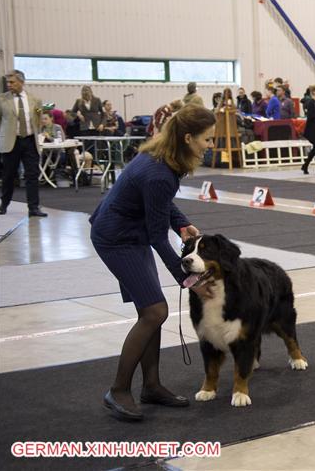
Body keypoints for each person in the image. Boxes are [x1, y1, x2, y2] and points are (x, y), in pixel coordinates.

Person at [89, 105, 215, 421]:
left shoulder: (161, 156)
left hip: (130, 232)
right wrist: (191, 282)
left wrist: (181, 222)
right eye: (207, 139)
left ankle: (152, 386)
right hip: (117, 238)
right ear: (188, 138)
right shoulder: (160, 172)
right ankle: (118, 390)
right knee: (156, 311)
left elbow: (157, 203)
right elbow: (159, 238)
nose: (210, 146)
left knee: (150, 310)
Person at [0, 70, 47, 217]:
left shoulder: (35, 100)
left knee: (32, 175)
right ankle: (4, 203)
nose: (9, 85)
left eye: (12, 82)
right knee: (8, 175)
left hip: (30, 141)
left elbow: (38, 118)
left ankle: (33, 208)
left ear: (21, 82)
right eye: (8, 82)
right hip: (11, 142)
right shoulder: (1, 99)